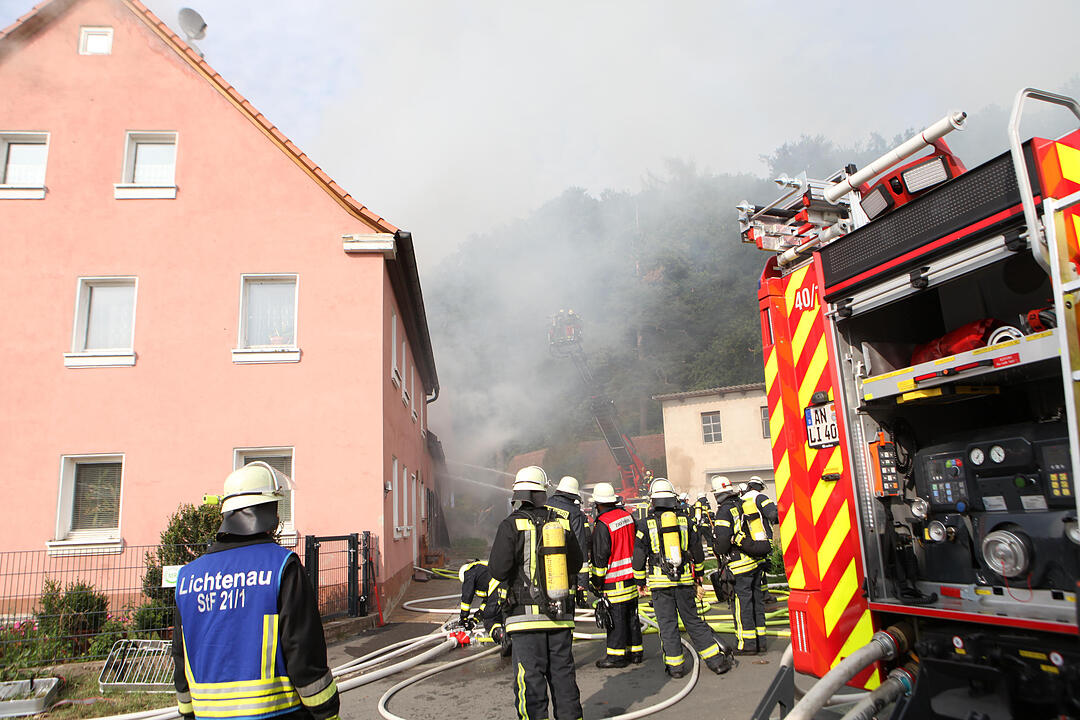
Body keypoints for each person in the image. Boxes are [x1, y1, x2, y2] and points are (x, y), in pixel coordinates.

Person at [173, 462, 339, 720]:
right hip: (279, 714)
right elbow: (303, 651)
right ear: (270, 511)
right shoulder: (282, 566)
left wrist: (187, 713)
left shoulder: (188, 577)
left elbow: (180, 656)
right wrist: (327, 713)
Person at [489, 466, 584, 720]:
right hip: (560, 614)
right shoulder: (561, 522)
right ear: (544, 492)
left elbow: (498, 570)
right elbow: (576, 564)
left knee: (530, 682)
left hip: (524, 620)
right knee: (564, 678)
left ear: (518, 495)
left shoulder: (510, 525)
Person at [632, 478, 734, 678]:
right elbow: (697, 551)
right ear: (673, 499)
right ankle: (716, 661)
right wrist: (698, 576)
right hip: (685, 580)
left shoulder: (645, 524)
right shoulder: (686, 520)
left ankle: (676, 668)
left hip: (660, 585)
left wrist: (640, 582)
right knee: (693, 621)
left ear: (652, 501)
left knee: (667, 624)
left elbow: (638, 557)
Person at [716, 476, 775, 654]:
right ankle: (760, 641)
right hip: (756, 562)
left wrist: (717, 546)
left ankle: (746, 644)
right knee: (757, 602)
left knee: (743, 606)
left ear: (718, 494)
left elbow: (723, 542)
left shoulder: (725, 511)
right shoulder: (743, 503)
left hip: (740, 566)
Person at [589, 482, 642, 668]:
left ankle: (616, 656)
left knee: (616, 620)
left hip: (614, 580)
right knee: (632, 617)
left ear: (599, 504)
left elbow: (600, 557)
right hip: (632, 578)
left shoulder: (603, 524)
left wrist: (596, 582)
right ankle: (635, 652)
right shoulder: (627, 516)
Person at [545, 476, 590, 605]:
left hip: (544, 569)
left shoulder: (545, 505)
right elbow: (580, 546)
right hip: (566, 570)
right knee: (566, 613)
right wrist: (582, 581)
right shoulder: (574, 513)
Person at [458, 559, 504, 643]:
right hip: (504, 582)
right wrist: (477, 617)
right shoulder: (480, 569)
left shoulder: (468, 573)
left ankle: (501, 637)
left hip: (497, 583)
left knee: (490, 618)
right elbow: (488, 600)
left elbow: (467, 596)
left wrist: (463, 618)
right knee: (501, 612)